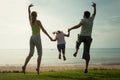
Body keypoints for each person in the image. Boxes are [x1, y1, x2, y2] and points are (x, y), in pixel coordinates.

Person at [22, 4, 52, 74]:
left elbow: (28, 14)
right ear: (36, 16)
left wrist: (28, 8)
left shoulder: (30, 21)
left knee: (31, 54)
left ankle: (24, 66)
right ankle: (38, 68)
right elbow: (43, 30)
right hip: (37, 38)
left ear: (32, 16)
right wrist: (49, 37)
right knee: (40, 54)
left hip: (31, 37)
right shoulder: (38, 22)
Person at [68, 2, 96, 73]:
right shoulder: (91, 19)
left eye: (83, 14)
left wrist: (70, 28)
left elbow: (78, 26)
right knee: (87, 52)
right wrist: (94, 7)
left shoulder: (83, 20)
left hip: (82, 36)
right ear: (88, 15)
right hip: (88, 38)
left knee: (78, 41)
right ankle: (86, 68)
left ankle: (76, 51)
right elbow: (94, 14)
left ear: (84, 15)